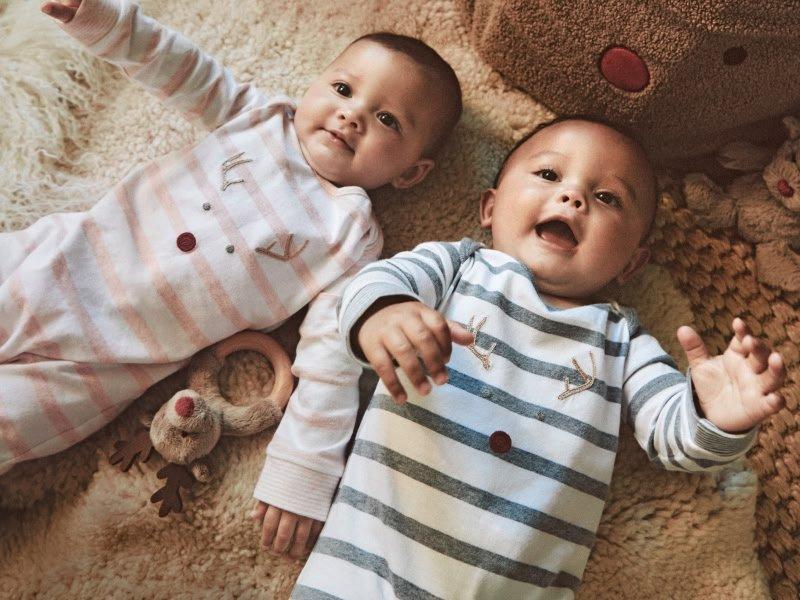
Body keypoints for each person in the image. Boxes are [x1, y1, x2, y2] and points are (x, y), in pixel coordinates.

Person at [281, 117, 787, 598]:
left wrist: (715, 415)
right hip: (364, 570)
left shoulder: (622, 342)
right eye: (548, 174)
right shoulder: (458, 268)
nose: (572, 197)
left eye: (607, 198)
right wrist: (386, 315)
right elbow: (374, 283)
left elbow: (674, 441)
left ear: (631, 262)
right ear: (490, 208)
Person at [3, 0, 460, 496]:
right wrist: (103, 20)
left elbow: (330, 357)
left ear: (411, 172)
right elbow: (177, 66)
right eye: (344, 89)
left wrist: (304, 468)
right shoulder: (258, 118)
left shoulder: (351, 238)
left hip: (108, 365)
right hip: (58, 262)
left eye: (388, 119)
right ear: (314, 85)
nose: (352, 115)